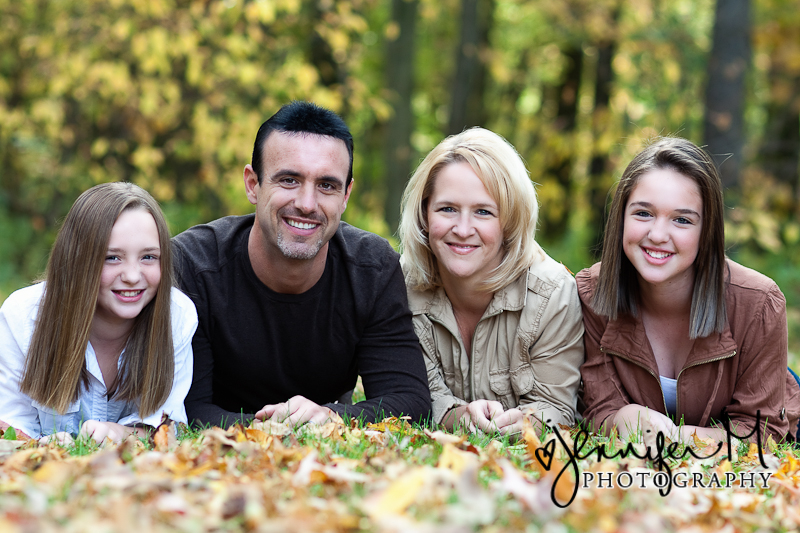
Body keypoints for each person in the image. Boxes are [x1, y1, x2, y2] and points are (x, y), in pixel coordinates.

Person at [172, 101, 431, 428]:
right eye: (289, 180)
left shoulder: (372, 267)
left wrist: (329, 417)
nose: (307, 204)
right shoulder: (193, 264)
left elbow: (410, 401)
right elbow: (187, 409)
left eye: (326, 185)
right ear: (253, 184)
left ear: (346, 195)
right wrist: (268, 429)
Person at [579, 137, 800, 443]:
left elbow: (759, 431)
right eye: (643, 213)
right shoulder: (592, 292)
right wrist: (622, 417)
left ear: (706, 231)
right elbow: (596, 407)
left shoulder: (759, 302)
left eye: (682, 220)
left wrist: (675, 436)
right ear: (621, 217)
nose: (657, 235)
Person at [398, 128, 584, 436]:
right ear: (424, 212)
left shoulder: (553, 294)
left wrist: (524, 422)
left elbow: (558, 407)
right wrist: (456, 416)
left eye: (483, 212)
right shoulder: (401, 285)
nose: (462, 228)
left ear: (509, 221)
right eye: (447, 209)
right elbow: (413, 391)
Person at [0, 183, 197, 443]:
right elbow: (9, 427)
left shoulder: (177, 316)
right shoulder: (23, 316)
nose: (132, 276)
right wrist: (43, 448)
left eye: (148, 257)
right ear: (77, 259)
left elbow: (166, 426)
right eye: (112, 257)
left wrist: (119, 433)